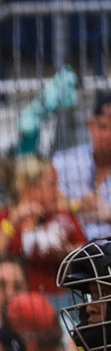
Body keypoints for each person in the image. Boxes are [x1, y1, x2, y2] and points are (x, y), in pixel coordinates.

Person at [0, 156, 88, 295]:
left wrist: (65, 252)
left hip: (59, 303)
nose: (58, 193)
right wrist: (11, 225)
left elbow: (87, 268)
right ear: (27, 186)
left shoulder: (64, 217)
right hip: (11, 304)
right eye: (52, 185)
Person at [55, 93, 111, 242]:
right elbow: (44, 203)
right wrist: (76, 205)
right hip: (70, 252)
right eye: (102, 127)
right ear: (91, 125)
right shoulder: (64, 161)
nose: (108, 135)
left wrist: (107, 214)